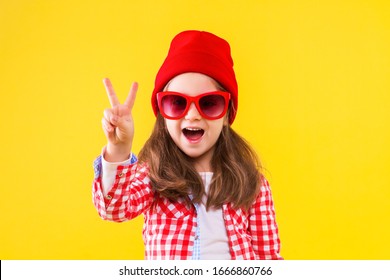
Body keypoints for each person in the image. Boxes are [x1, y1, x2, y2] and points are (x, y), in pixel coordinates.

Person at [92, 30, 282, 260]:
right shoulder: (152, 174)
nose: (192, 115)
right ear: (162, 113)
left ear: (225, 115)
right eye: (177, 103)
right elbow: (114, 209)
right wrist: (119, 149)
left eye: (209, 103)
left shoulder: (253, 184)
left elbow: (269, 259)